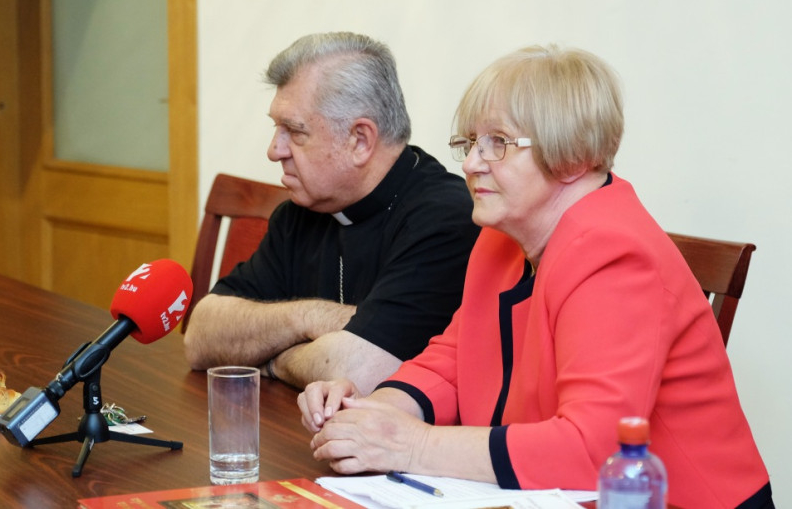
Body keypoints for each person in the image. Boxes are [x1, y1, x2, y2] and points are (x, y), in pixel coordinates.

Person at [298, 45, 773, 508]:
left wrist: (413, 445)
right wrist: (372, 412)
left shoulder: (616, 254)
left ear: (572, 154)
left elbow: (591, 450)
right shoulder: (502, 236)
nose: (471, 163)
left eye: (498, 143)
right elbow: (453, 361)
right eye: (471, 142)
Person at [184, 32, 480, 395]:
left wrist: (273, 360)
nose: (274, 150)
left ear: (360, 140)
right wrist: (306, 318)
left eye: (294, 131)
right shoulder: (301, 211)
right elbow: (200, 336)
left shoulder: (444, 219)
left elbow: (356, 373)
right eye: (277, 128)